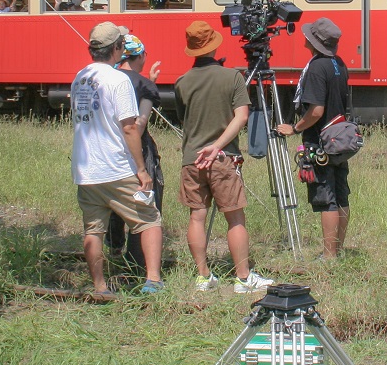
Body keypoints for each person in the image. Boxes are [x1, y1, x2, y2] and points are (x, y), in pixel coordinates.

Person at [174, 20, 273, 293]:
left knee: (196, 216)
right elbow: (241, 117)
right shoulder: (233, 77)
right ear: (214, 46)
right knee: (235, 218)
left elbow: (185, 119)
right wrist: (217, 146)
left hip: (192, 159)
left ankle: (203, 276)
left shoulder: (182, 82)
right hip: (222, 158)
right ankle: (243, 278)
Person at [70, 22, 164, 295]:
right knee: (149, 219)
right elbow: (129, 127)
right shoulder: (118, 80)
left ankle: (100, 286)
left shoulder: (81, 77)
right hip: (115, 166)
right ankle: (153, 280)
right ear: (117, 49)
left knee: (94, 229)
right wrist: (141, 169)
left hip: (86, 169)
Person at [276, 18, 351, 261]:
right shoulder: (338, 64)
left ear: (313, 42)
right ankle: (337, 250)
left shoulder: (317, 67)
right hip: (339, 138)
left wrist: (295, 128)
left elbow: (316, 111)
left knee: (325, 197)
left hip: (320, 141)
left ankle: (329, 256)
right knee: (341, 195)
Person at [106, 34, 163, 267]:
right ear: (139, 55)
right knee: (144, 202)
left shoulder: (108, 78)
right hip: (139, 150)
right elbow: (138, 125)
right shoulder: (145, 86)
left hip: (108, 149)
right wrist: (149, 85)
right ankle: (138, 261)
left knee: (113, 201)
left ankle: (114, 251)